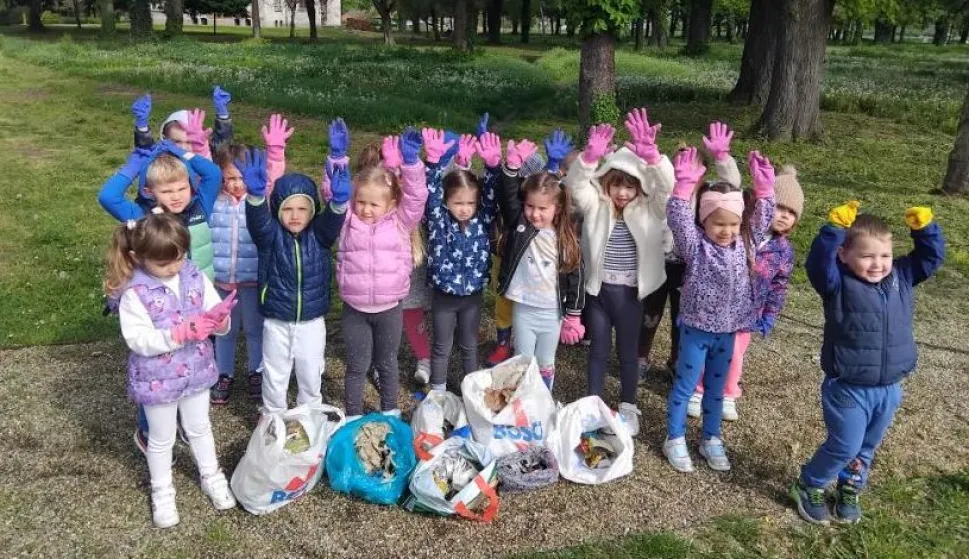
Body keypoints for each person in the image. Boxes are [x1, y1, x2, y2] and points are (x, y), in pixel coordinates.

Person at [790, 202, 944, 525]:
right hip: (847, 387)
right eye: (867, 256)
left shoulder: (902, 275)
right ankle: (809, 484)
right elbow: (817, 264)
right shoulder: (837, 283)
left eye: (884, 256)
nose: (878, 264)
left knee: (866, 446)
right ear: (844, 255)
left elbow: (930, 259)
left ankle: (850, 487)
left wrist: (924, 230)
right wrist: (833, 231)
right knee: (845, 445)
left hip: (888, 388)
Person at [104, 213, 237, 528]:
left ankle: (211, 475)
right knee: (161, 438)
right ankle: (162, 491)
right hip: (157, 380)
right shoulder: (134, 292)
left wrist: (221, 322)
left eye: (178, 258)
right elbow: (137, 339)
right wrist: (175, 335)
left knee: (200, 427)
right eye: (163, 264)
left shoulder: (192, 274)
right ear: (138, 257)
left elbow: (213, 310)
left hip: (197, 370)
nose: (173, 268)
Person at [97, 136, 222, 454]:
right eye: (168, 190)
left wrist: (181, 152)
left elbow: (213, 174)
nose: (177, 196)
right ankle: (147, 427)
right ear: (151, 191)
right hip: (159, 307)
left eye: (182, 188)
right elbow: (107, 196)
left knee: (193, 363)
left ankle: (182, 419)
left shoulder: (199, 205)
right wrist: (135, 164)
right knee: (158, 371)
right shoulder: (144, 218)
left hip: (198, 302)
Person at [663, 147, 776, 473]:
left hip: (728, 332)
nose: (726, 230)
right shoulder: (695, 245)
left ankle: (711, 437)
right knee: (685, 385)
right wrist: (683, 187)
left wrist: (765, 189)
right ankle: (674, 437)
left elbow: (764, 216)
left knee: (715, 389)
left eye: (732, 223)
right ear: (704, 220)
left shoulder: (746, 242)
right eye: (718, 223)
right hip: (697, 330)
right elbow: (678, 217)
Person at [564, 109, 674, 436]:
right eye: (617, 185)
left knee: (628, 353)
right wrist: (588, 158)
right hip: (599, 294)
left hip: (630, 295)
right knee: (598, 349)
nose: (623, 193)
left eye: (630, 186)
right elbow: (575, 185)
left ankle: (629, 405)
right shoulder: (596, 204)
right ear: (607, 183)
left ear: (640, 186)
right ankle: (593, 403)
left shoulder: (651, 208)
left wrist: (653, 157)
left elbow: (666, 187)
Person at [688, 164, 803, 421]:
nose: (783, 216)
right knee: (707, 350)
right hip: (716, 307)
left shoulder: (783, 250)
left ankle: (728, 394)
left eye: (791, 212)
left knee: (735, 355)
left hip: (749, 313)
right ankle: (698, 390)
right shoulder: (741, 234)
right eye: (779, 207)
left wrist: (770, 314)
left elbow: (779, 285)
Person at [241, 146, 347, 414]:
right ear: (277, 208)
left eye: (303, 208)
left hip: (311, 320)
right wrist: (254, 198)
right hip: (277, 321)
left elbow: (332, 222)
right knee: (275, 374)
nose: (296, 215)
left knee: (311, 372)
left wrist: (338, 204)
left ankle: (310, 413)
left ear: (313, 211)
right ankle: (273, 417)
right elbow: (257, 222)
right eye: (288, 209)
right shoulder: (270, 236)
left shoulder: (319, 235)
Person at [637, 122, 741, 381]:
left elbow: (733, 184)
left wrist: (722, 157)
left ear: (705, 172)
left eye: (693, 167)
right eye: (678, 166)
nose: (685, 172)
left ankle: (676, 361)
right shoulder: (664, 192)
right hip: (659, 263)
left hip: (691, 268)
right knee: (650, 313)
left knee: (681, 319)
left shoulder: (710, 195)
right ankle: (640, 357)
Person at [337, 130, 428, 418]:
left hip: (390, 308)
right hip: (355, 308)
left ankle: (390, 412)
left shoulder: (400, 221)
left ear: (390, 204)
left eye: (374, 204)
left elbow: (416, 198)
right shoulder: (347, 219)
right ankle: (352, 415)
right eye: (361, 202)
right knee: (356, 366)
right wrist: (337, 158)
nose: (366, 209)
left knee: (387, 363)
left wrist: (412, 165)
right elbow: (334, 192)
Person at [208, 114, 292, 404]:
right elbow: (201, 175)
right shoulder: (213, 201)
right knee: (224, 331)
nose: (235, 184)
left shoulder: (259, 200)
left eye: (241, 178)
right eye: (229, 178)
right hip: (221, 279)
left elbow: (274, 181)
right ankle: (224, 373)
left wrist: (276, 153)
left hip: (253, 279)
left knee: (256, 330)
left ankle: (256, 371)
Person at [492, 134, 585, 391]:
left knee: (546, 362)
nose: (534, 213)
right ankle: (521, 401)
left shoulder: (566, 237)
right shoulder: (521, 225)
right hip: (524, 307)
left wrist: (573, 316)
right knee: (523, 360)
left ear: (557, 207)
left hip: (552, 312)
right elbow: (508, 196)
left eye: (543, 208)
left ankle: (542, 402)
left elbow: (576, 275)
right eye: (530, 206)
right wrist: (511, 168)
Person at [424, 129, 498, 392]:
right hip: (445, 295)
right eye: (457, 202)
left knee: (469, 344)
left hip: (473, 296)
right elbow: (430, 194)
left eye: (469, 202)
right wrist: (433, 164)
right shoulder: (439, 220)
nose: (464, 208)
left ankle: (471, 389)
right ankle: (438, 391)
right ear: (447, 202)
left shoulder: (482, 218)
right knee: (442, 345)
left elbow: (490, 194)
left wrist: (492, 167)